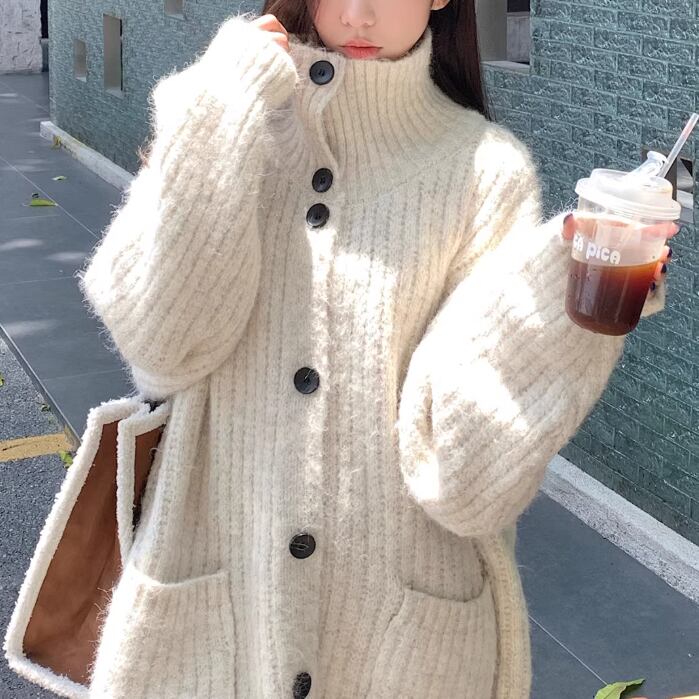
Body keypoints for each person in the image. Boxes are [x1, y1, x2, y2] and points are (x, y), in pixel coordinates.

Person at [70, 1, 677, 697]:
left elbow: (464, 479)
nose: (357, 15)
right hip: (220, 608)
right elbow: (162, 350)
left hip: (402, 638)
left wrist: (555, 297)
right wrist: (216, 114)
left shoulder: (485, 171)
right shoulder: (229, 109)